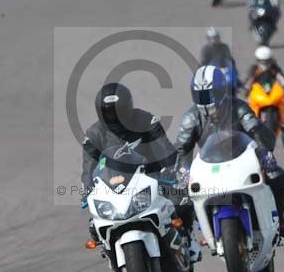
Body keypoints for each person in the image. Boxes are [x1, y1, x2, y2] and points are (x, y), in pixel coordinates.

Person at [174, 65, 284, 238]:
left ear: (221, 90)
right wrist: (183, 171)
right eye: (200, 95)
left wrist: (264, 153)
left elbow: (256, 130)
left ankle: (280, 219)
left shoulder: (239, 107)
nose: (206, 99)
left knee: (278, 177)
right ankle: (192, 235)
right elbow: (181, 148)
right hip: (210, 166)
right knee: (178, 197)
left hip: (241, 161)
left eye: (210, 94)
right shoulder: (191, 117)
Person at [82, 83, 198, 256]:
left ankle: (188, 240)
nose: (113, 117)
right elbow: (88, 168)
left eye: (118, 111)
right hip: (115, 184)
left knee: (181, 200)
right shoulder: (93, 135)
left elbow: (164, 148)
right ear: (100, 112)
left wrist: (169, 169)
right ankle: (109, 251)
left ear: (128, 107)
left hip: (151, 176)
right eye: (108, 112)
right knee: (95, 223)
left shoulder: (145, 120)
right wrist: (87, 189)